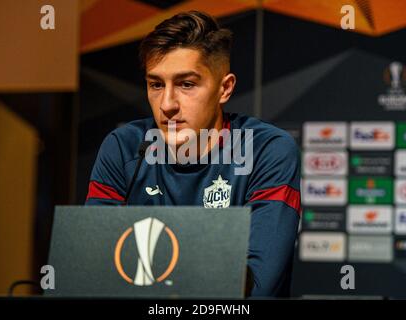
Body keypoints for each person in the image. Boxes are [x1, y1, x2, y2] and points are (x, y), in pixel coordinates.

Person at [85, 10, 301, 297]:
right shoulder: (124, 147)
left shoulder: (267, 151)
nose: (167, 104)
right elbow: (88, 273)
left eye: (186, 84)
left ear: (224, 88)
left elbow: (257, 288)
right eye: (156, 85)